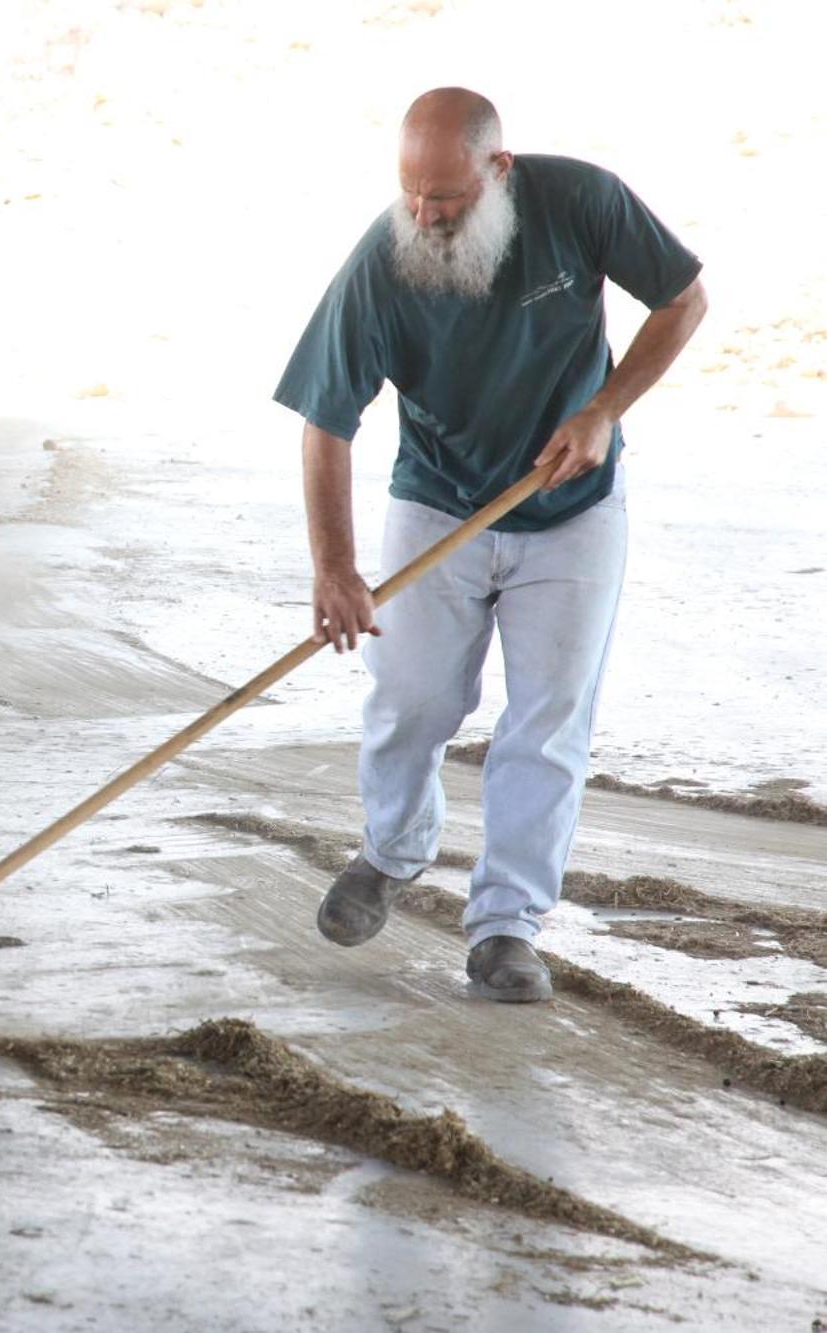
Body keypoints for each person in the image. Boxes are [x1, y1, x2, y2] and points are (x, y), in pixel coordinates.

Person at [272, 87, 707, 1002]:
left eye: (448, 198)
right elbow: (326, 423)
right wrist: (336, 569)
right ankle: (390, 852)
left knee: (548, 724)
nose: (426, 216)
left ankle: (507, 926)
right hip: (438, 504)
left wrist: (602, 410)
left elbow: (684, 298)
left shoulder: (582, 202)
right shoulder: (381, 268)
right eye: (412, 194)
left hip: (574, 508)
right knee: (412, 701)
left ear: (498, 170)